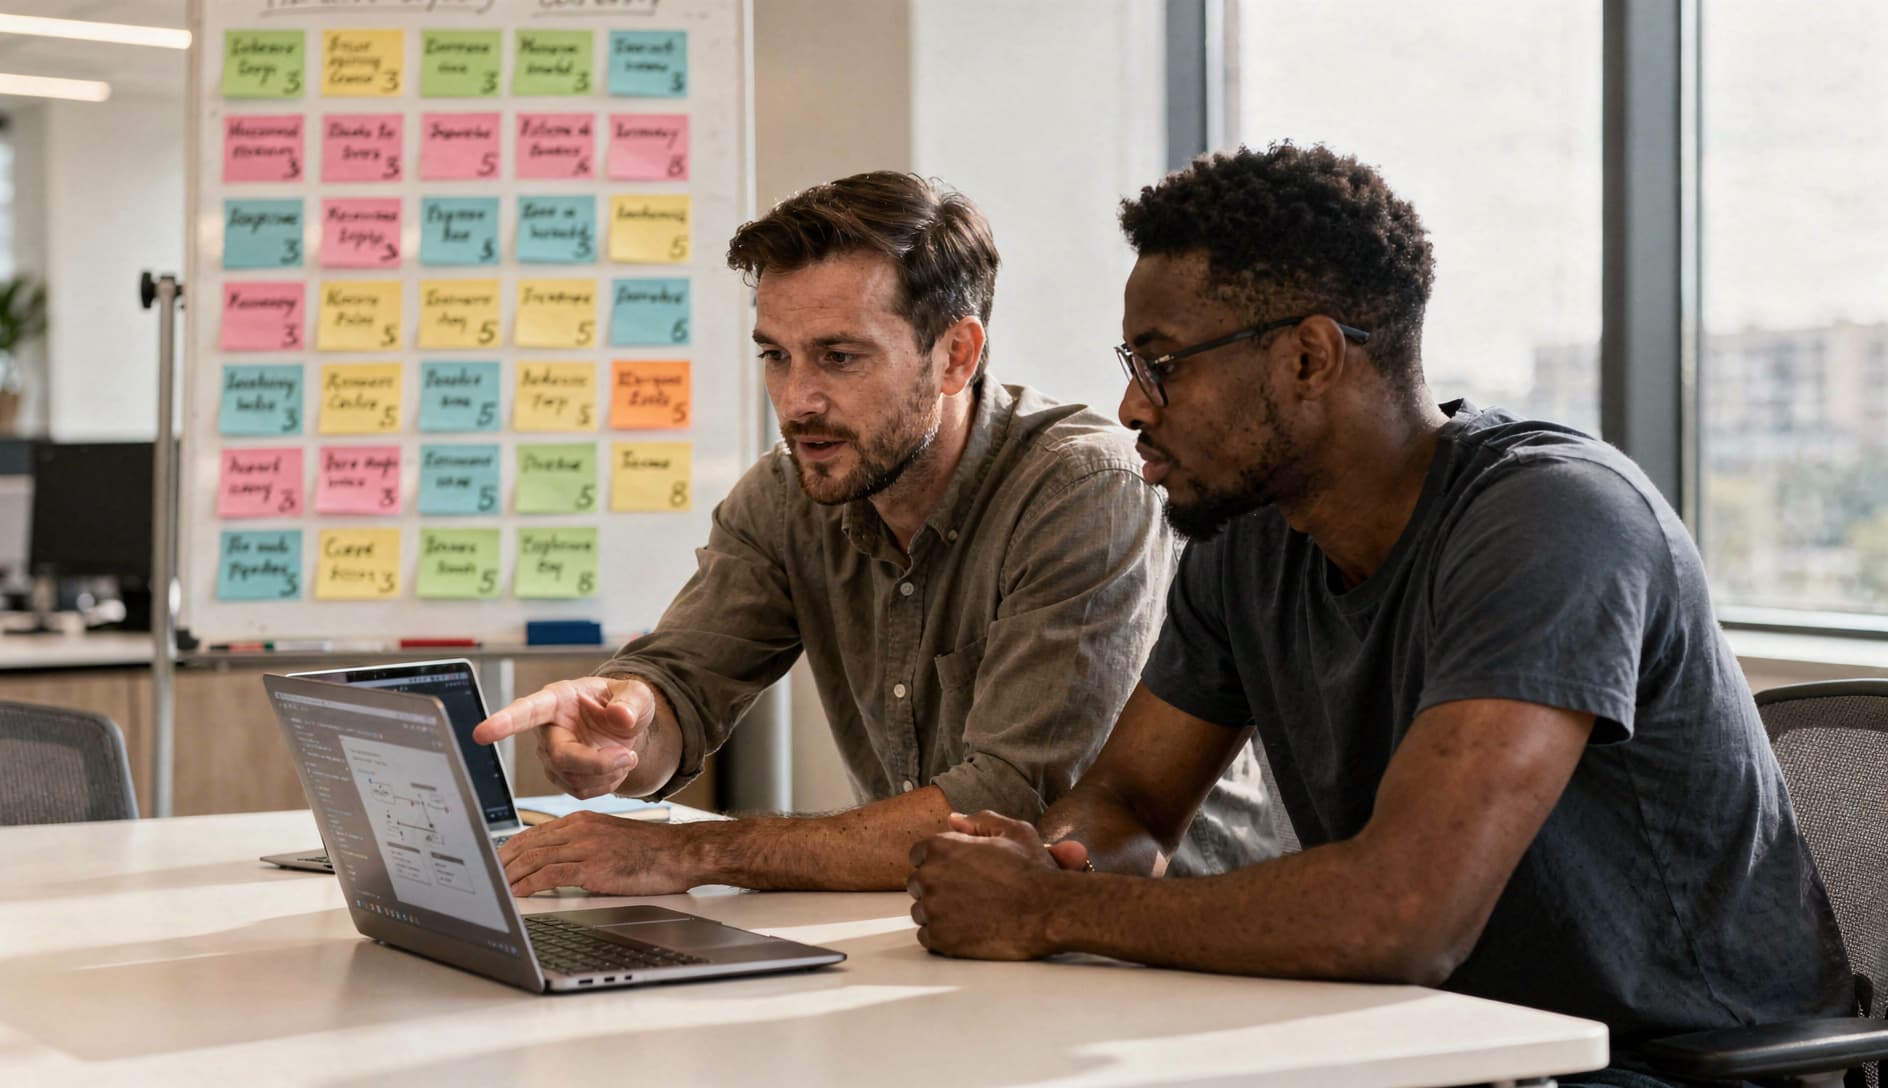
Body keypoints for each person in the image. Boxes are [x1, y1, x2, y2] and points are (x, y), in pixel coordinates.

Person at [904, 144, 1851, 1072]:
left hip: (1680, 1065)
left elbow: (1405, 915)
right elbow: (1132, 801)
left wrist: (1048, 911)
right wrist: (1049, 860)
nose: (1131, 406)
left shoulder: (1553, 521)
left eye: (1163, 364)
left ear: (1309, 358)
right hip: (1438, 1044)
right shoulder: (1250, 541)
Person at [474, 170, 1283, 896]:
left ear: (957, 355)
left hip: (1180, 953)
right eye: (777, 357)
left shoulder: (1085, 492)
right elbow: (683, 685)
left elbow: (1017, 803)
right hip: (962, 934)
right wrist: (628, 730)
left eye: (838, 358)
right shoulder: (789, 492)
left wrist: (692, 854)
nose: (796, 402)